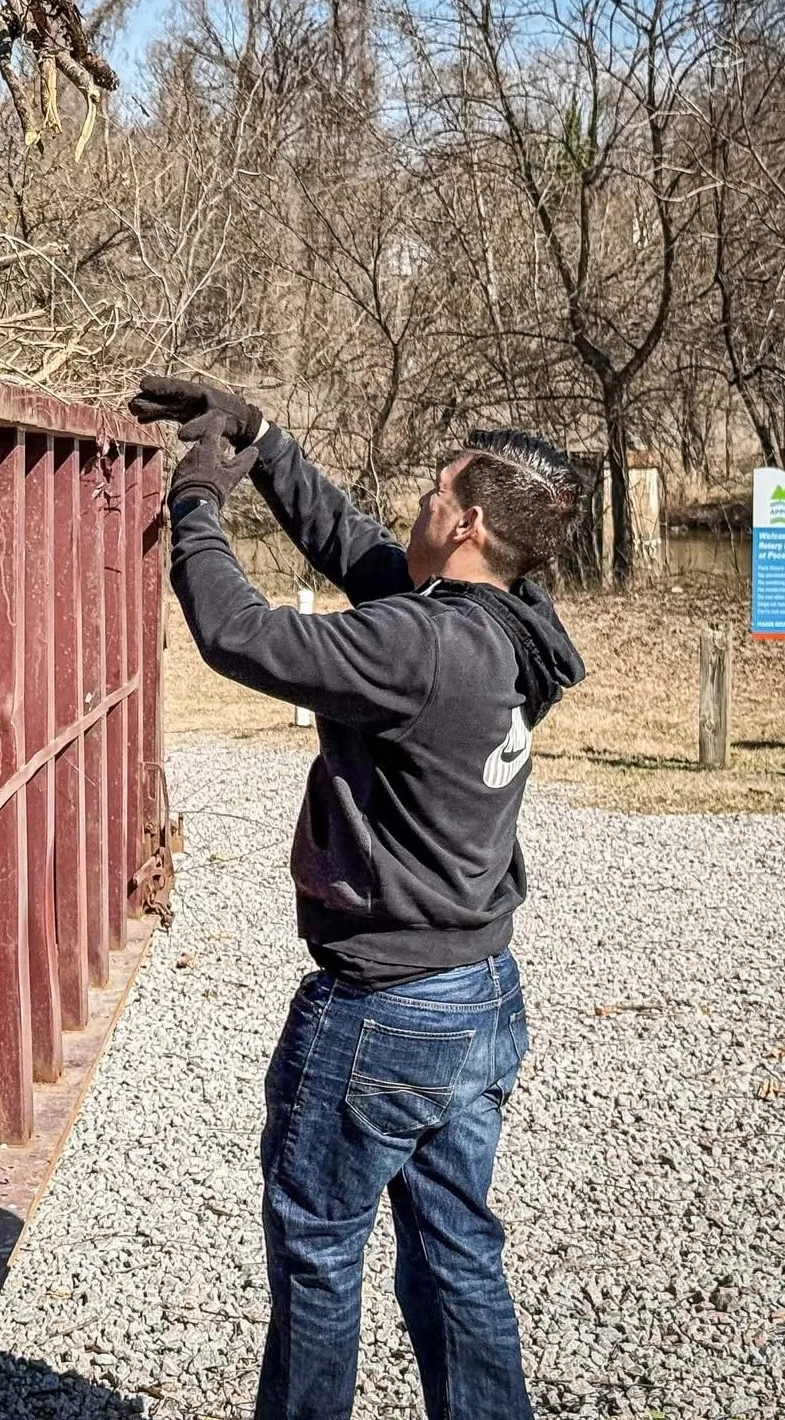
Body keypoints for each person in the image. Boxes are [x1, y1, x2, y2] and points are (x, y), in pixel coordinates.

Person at [132, 374, 588, 1420]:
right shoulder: (512, 628)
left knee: (316, 1255)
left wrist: (196, 499)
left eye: (434, 495)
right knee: (455, 1252)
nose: (418, 507)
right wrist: (265, 442)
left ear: (468, 522)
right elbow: (361, 554)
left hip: (380, 1012)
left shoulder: (419, 649)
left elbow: (238, 634)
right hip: (475, 994)